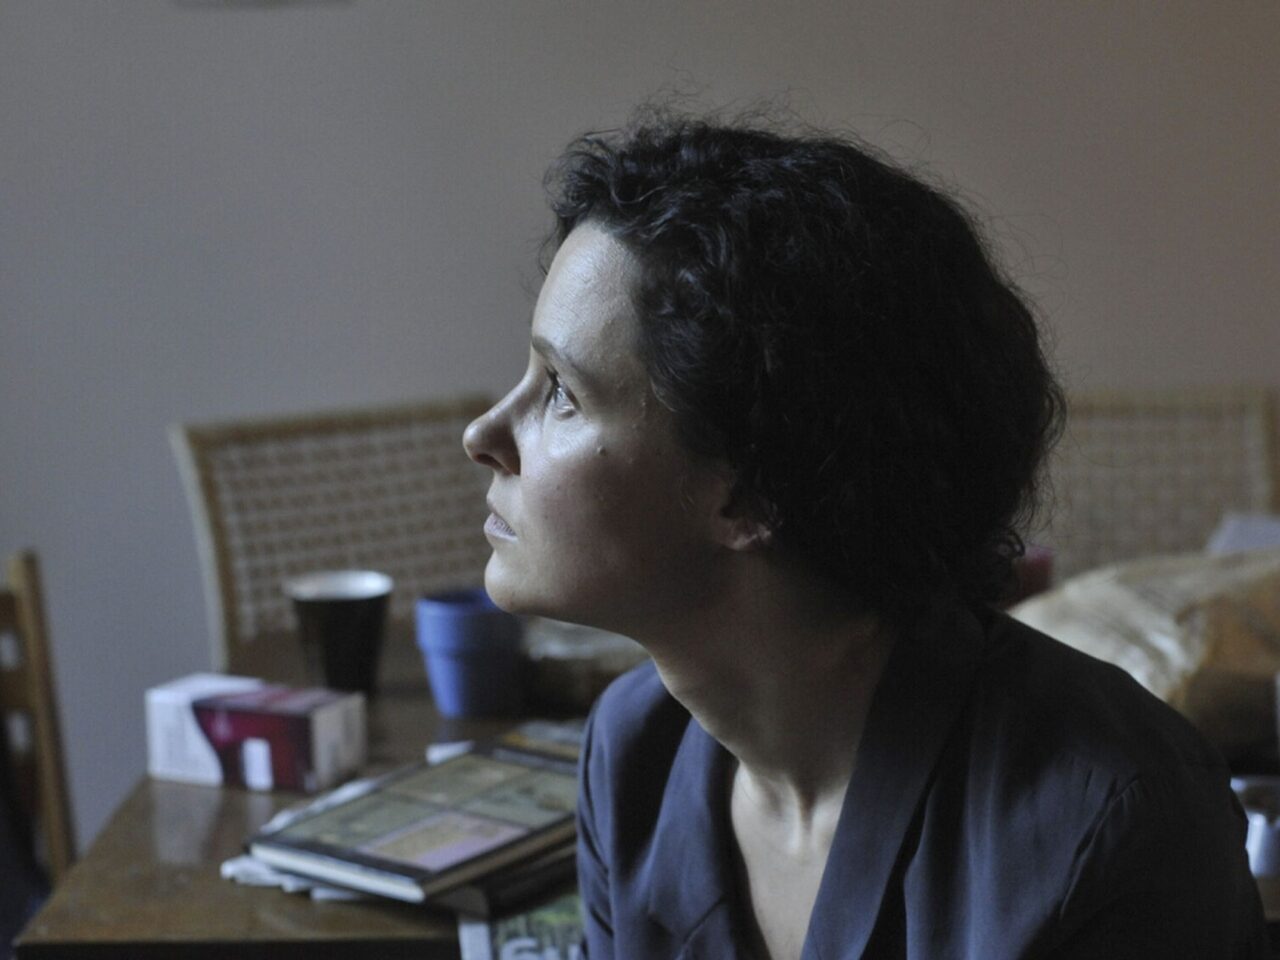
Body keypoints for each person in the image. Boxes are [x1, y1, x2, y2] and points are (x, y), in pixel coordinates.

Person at [463, 112, 1266, 958]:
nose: (483, 433)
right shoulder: (634, 754)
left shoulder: (1111, 820)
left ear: (751, 492)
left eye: (562, 392)